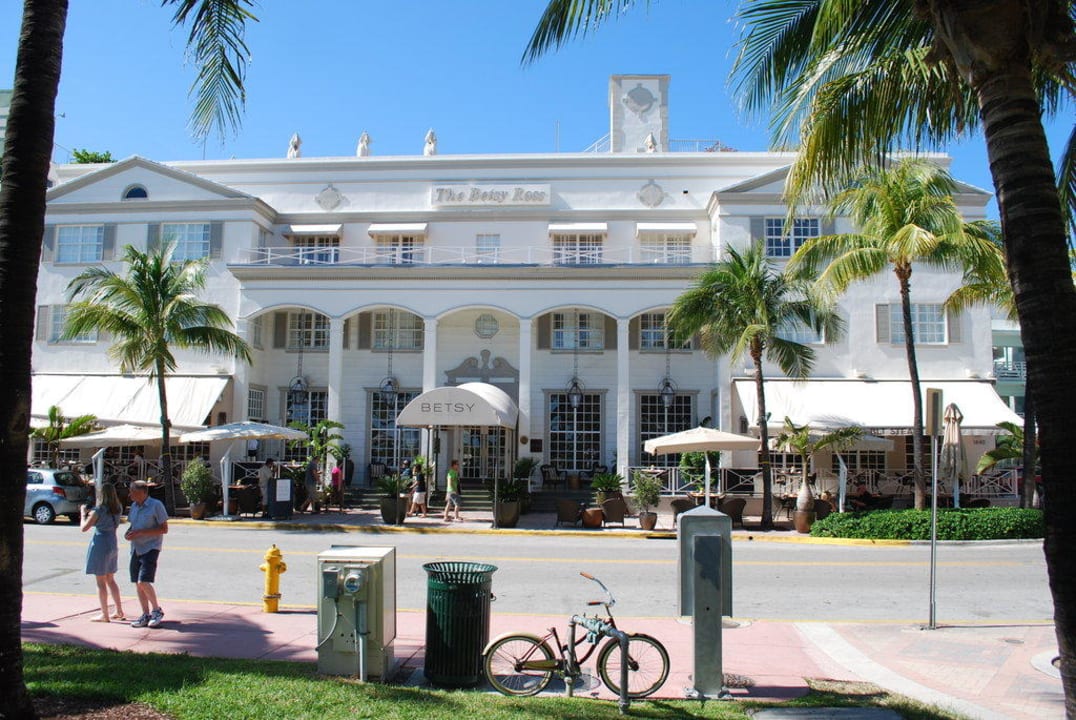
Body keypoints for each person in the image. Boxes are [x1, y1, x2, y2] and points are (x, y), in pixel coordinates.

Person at [125, 480, 168, 629]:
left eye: (133, 492)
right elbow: (132, 525)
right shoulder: (134, 507)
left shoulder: (156, 505)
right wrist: (129, 533)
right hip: (136, 548)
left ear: (143, 492)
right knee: (137, 583)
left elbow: (164, 529)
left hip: (150, 548)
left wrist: (142, 533)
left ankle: (157, 610)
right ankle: (145, 614)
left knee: (144, 581)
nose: (130, 495)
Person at [81, 483, 126, 622]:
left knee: (100, 581)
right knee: (110, 579)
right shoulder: (118, 508)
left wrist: (82, 514)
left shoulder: (98, 510)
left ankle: (105, 614)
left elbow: (84, 528)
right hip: (112, 541)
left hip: (100, 542)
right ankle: (119, 610)